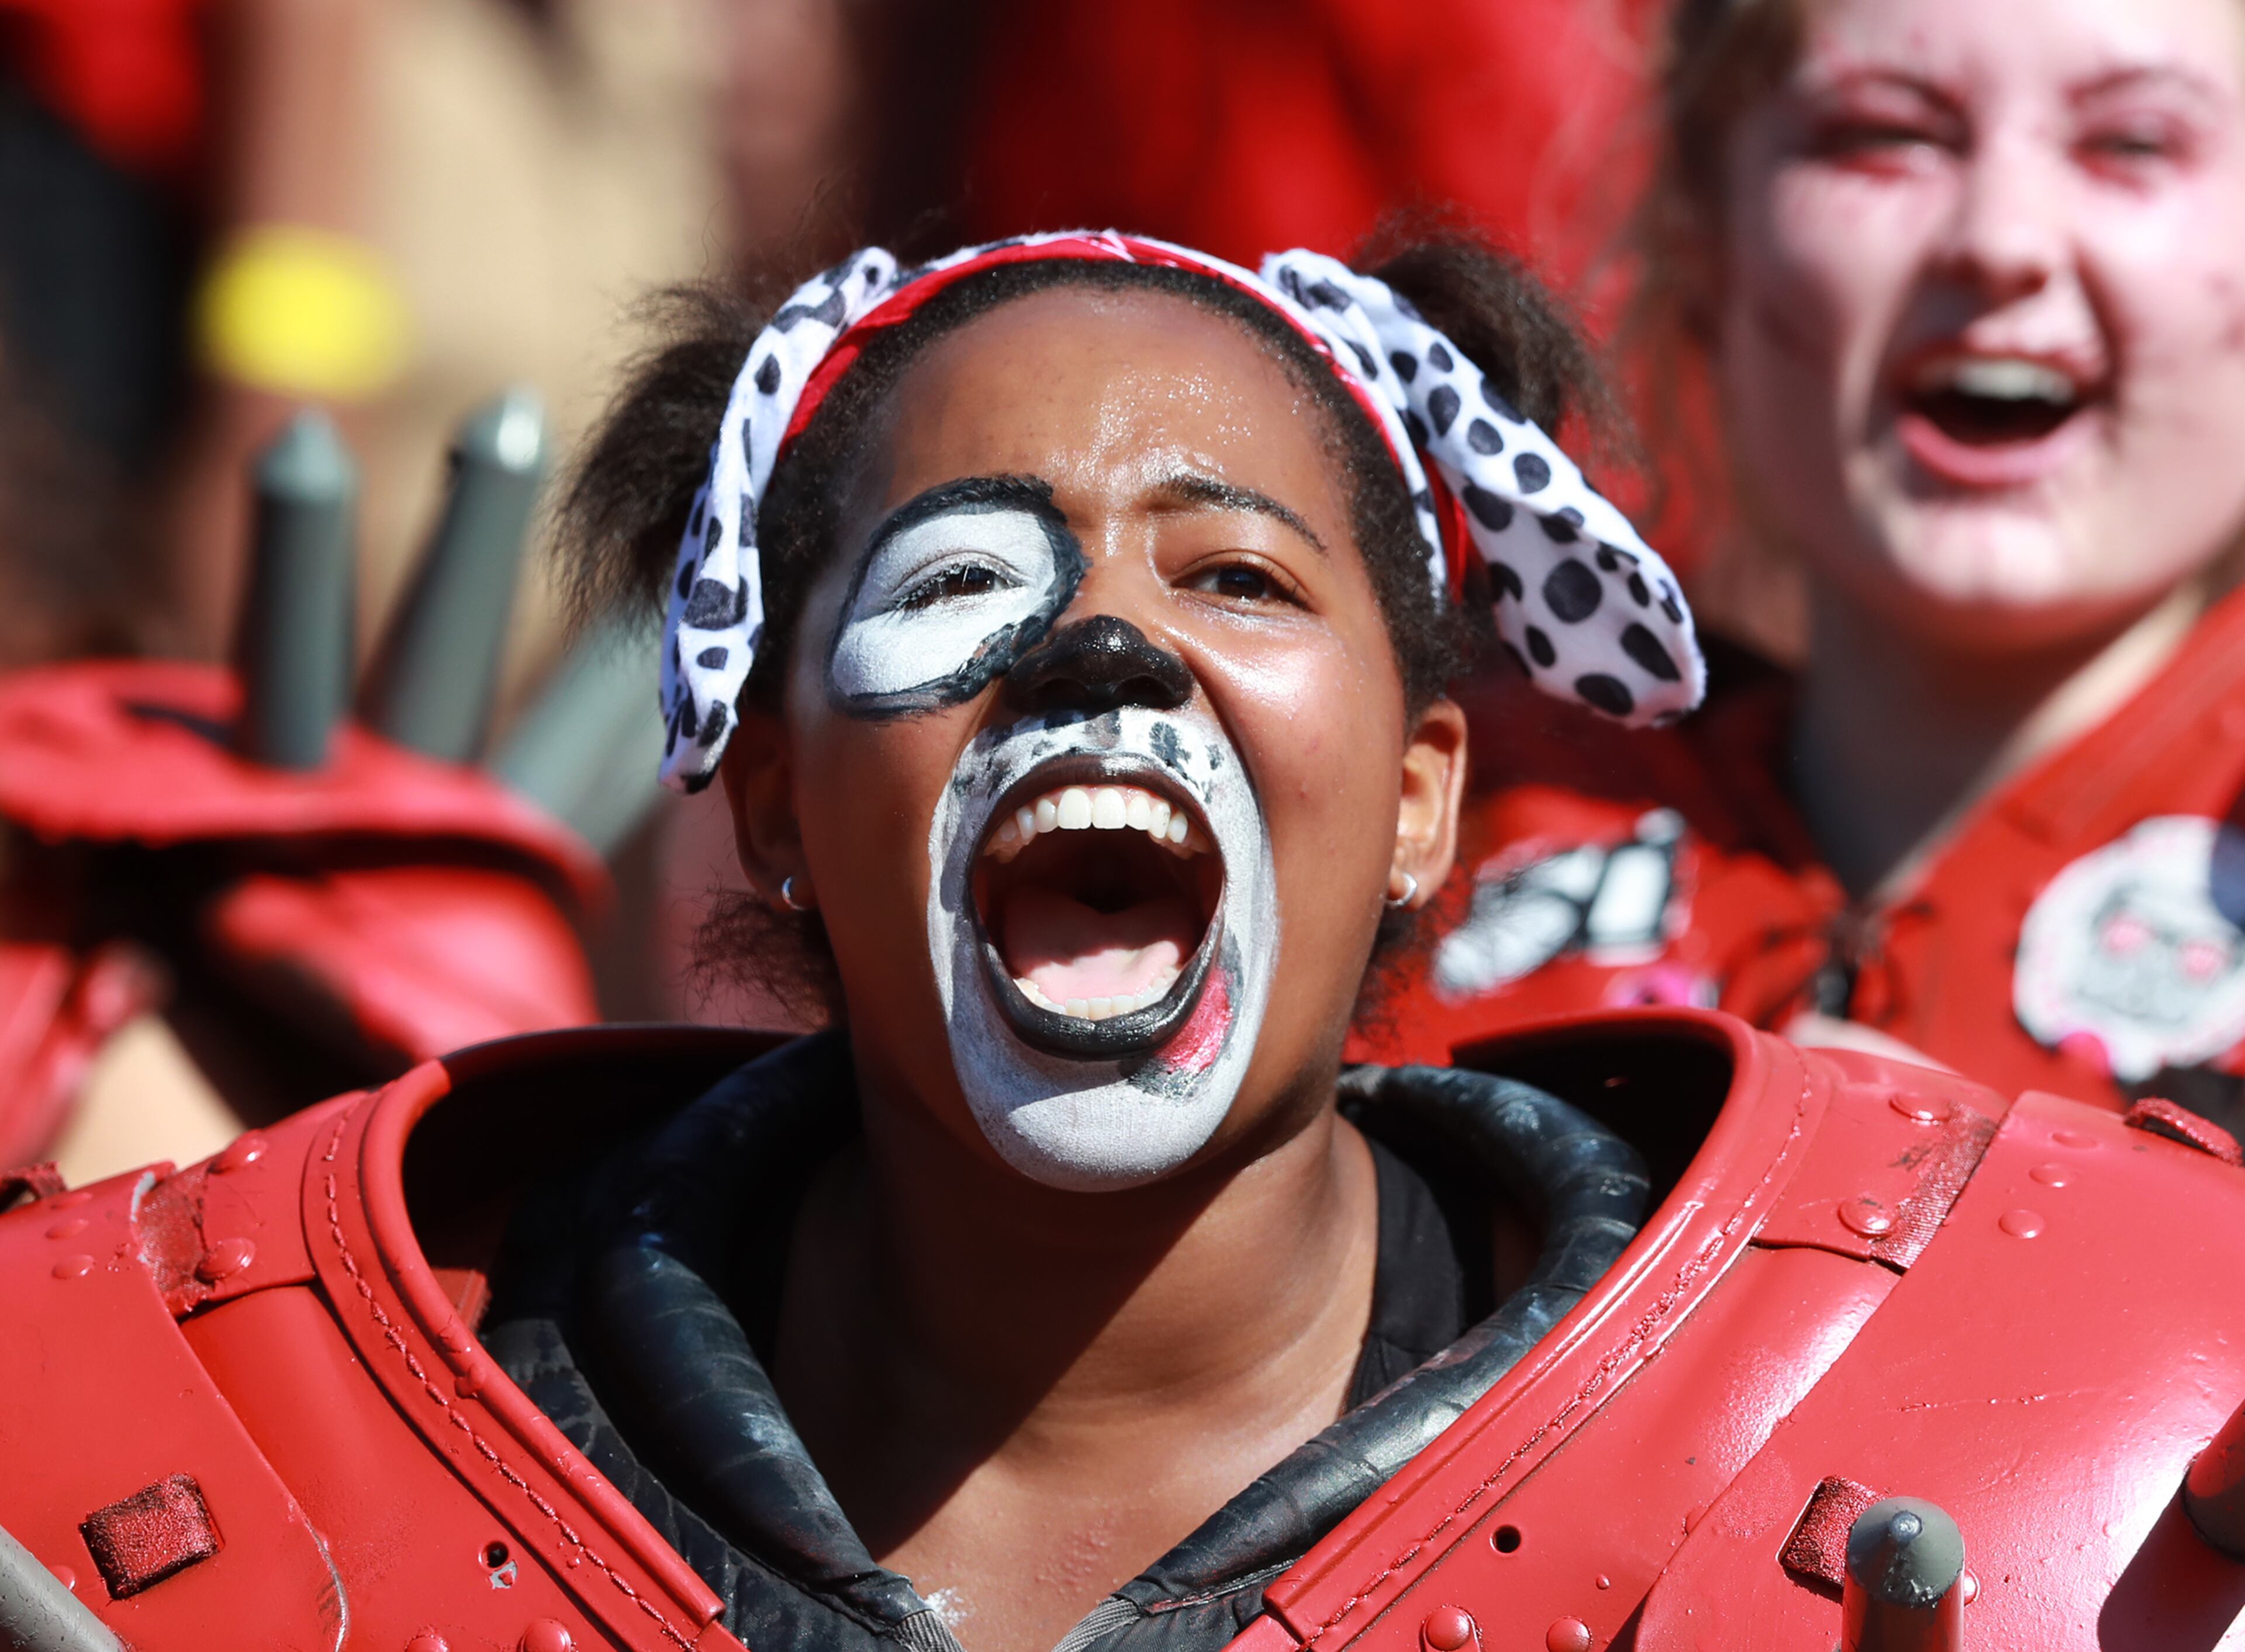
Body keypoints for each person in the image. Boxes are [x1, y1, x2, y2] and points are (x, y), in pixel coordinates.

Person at [9, 226, 2245, 1652]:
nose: (1102, 652)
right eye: (966, 586)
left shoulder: (2102, 1461)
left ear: (1418, 799)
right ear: (777, 808)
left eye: (1237, 576)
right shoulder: (154, 1437)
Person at [1365, 0, 2245, 1133]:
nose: (2002, 239)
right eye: (1886, 135)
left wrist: (2055, 1247)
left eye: (2133, 144)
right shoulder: (1421, 818)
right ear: (1706, 237)